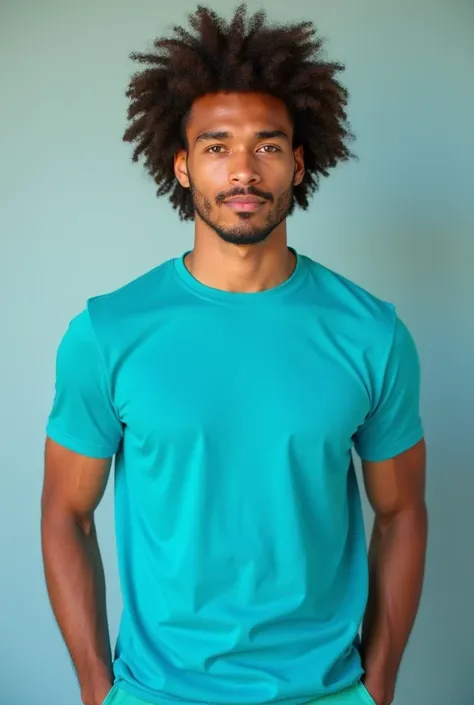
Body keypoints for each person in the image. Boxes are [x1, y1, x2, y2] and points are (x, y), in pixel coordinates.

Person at [41, 5, 428, 705]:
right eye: (217, 146)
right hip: (155, 693)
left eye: (268, 146)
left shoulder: (372, 333)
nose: (243, 170)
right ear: (182, 165)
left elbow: (402, 512)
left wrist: (379, 686)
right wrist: (98, 691)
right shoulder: (108, 332)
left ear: (299, 162)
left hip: (329, 691)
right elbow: (66, 512)